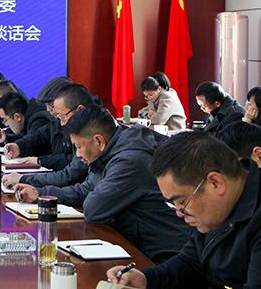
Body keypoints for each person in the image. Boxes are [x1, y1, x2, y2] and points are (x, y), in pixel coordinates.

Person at [15, 105, 188, 262]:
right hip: (137, 244)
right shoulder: (111, 151)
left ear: (99, 141)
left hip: (165, 255)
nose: (77, 155)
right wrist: (41, 193)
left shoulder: (130, 160)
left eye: (78, 147)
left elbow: (93, 209)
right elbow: (85, 190)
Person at [106, 131, 261, 288]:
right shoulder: (214, 211)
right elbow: (190, 263)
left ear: (215, 183)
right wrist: (146, 279)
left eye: (182, 201)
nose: (179, 213)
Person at [3, 82, 89, 173]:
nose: (48, 110)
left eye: (51, 105)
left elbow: (73, 164)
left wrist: (40, 161)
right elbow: (39, 136)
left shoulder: (90, 129)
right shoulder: (58, 121)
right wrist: (18, 146)